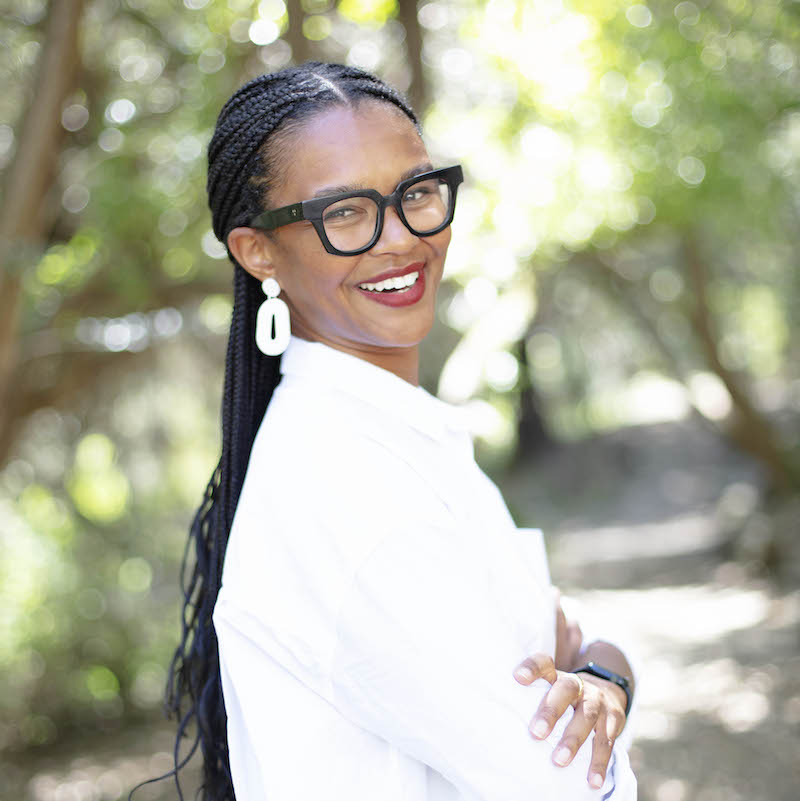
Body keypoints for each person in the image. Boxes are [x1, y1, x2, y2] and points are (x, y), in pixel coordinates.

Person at [167, 61, 639, 801]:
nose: (399, 239)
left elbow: (552, 636)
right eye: (344, 213)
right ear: (258, 251)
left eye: (416, 192)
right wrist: (613, 668)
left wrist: (587, 662)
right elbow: (577, 783)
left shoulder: (398, 440)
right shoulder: (349, 489)